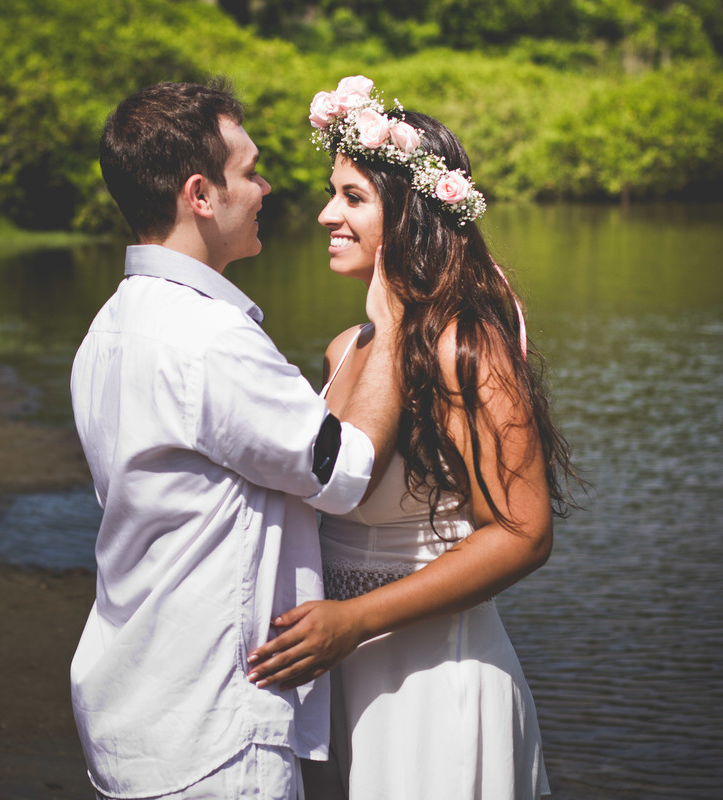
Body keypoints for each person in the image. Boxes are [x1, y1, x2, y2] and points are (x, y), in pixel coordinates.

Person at [69, 79, 404, 800]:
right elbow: (345, 470)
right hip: (211, 726)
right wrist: (397, 323)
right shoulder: (210, 339)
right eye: (250, 172)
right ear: (200, 193)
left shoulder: (107, 328)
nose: (266, 188)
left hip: (132, 705)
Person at [246, 76, 579, 799]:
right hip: (337, 679)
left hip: (437, 680)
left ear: (410, 214)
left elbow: (524, 534)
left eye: (353, 197)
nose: (327, 214)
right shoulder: (343, 350)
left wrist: (355, 619)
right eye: (333, 193)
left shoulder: (468, 348)